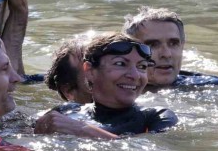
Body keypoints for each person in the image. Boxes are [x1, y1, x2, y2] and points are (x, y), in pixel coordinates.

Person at [35, 33, 178, 137]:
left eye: (142, 66)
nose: (135, 76)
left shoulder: (157, 116)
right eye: (120, 64)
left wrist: (81, 130)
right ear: (90, 71)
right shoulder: (65, 113)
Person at [122, 6, 218, 92]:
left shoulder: (217, 87)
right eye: (152, 45)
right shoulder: (115, 91)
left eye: (173, 43)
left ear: (182, 46)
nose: (166, 54)